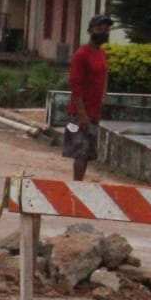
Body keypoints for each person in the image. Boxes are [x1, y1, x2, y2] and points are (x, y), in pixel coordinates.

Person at [63, 13, 112, 181]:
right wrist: (82, 114)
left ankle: (80, 184)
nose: (103, 32)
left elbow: (105, 74)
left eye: (106, 29)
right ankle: (77, 185)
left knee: (88, 154)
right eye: (99, 29)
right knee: (80, 152)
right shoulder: (81, 55)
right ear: (90, 31)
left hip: (94, 112)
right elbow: (75, 85)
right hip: (80, 113)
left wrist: (103, 97)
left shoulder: (102, 54)